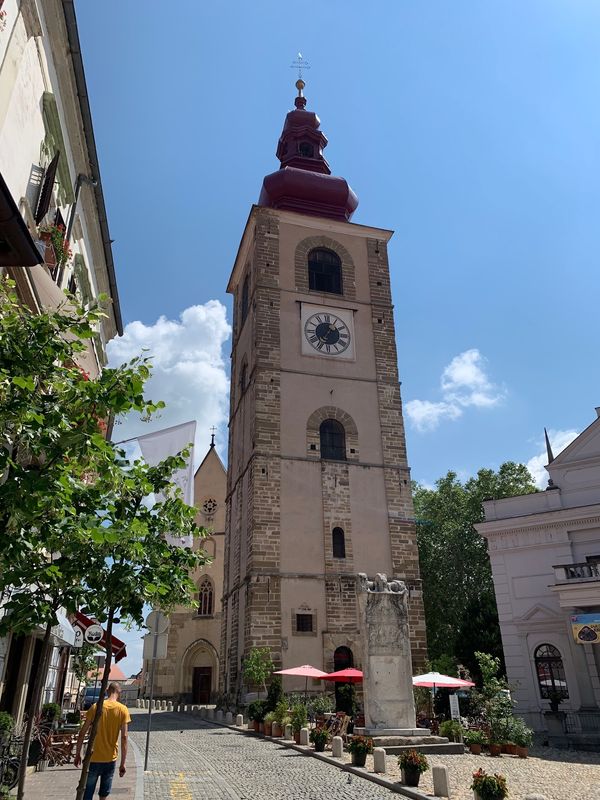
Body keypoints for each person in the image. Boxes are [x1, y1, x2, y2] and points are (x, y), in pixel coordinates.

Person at [74, 682, 131, 800]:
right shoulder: (123, 709)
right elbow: (124, 737)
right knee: (103, 794)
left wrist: (77, 754)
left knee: (88, 792)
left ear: (107, 691)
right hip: (110, 758)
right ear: (119, 693)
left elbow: (82, 733)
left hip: (93, 756)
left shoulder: (96, 707)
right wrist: (123, 763)